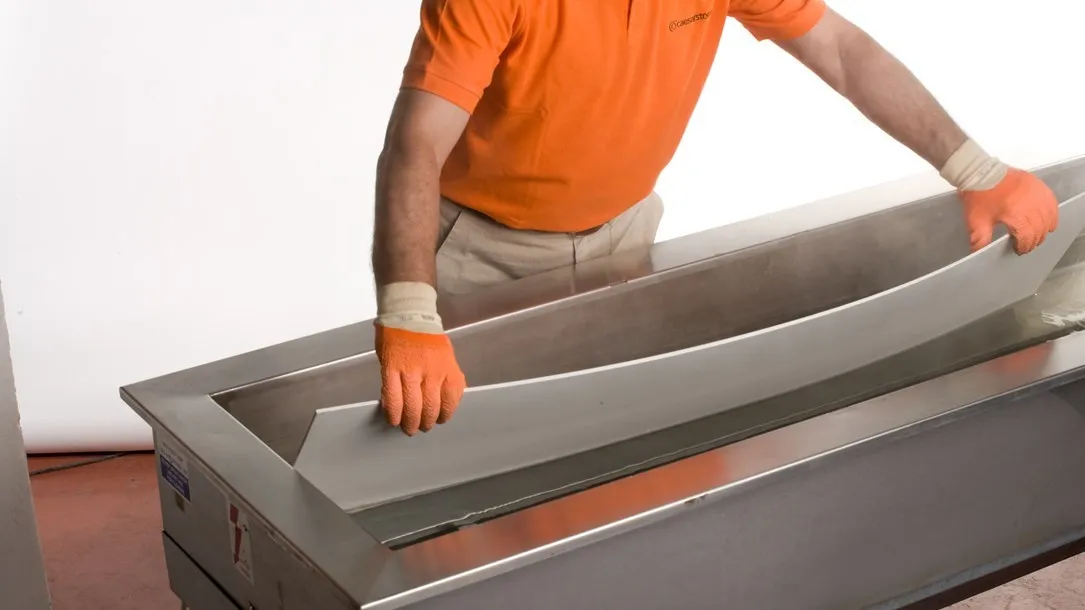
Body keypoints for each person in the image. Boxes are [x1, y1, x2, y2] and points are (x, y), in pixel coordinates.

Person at [371, 0, 1060, 436]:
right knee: (471, 444)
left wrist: (976, 171)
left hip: (624, 235)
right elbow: (415, 143)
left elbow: (843, 53)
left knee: (611, 431)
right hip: (483, 250)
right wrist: (407, 313)